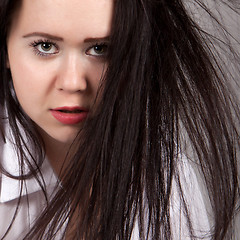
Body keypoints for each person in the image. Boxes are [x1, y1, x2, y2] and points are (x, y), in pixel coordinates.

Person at [0, 0, 239, 239]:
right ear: (5, 48)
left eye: (100, 49)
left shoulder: (165, 172)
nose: (74, 83)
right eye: (45, 46)